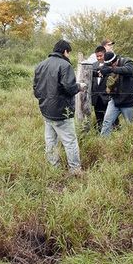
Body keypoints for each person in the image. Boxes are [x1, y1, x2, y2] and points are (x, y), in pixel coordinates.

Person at [33, 40, 86, 175]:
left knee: (50, 141)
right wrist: (79, 87)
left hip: (46, 110)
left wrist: (44, 101)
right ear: (65, 52)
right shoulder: (65, 65)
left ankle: (53, 168)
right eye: (69, 53)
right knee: (70, 142)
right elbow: (69, 88)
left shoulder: (41, 65)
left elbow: (36, 89)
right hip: (61, 111)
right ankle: (75, 170)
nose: (69, 56)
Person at [99, 50, 133, 136]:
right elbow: (102, 71)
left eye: (110, 65)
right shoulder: (109, 65)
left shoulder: (127, 61)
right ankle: (103, 144)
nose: (109, 67)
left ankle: (129, 145)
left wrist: (111, 69)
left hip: (128, 101)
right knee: (107, 122)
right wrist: (100, 72)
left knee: (129, 126)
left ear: (113, 62)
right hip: (114, 100)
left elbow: (129, 70)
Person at [90, 45, 110, 129]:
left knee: (109, 117)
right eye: (97, 56)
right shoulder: (93, 65)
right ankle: (99, 132)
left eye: (100, 56)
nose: (98, 58)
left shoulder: (109, 65)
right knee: (98, 117)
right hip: (96, 97)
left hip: (106, 96)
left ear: (104, 54)